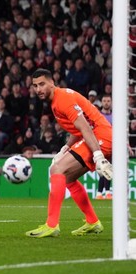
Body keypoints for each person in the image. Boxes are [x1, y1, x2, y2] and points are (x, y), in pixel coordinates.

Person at [26, 68, 112, 238]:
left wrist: (98, 156)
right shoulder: (58, 99)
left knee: (57, 170)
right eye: (35, 86)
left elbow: (85, 127)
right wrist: (65, 149)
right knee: (69, 179)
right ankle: (93, 221)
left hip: (100, 137)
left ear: (52, 82)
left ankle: (51, 225)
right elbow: (78, 127)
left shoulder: (62, 99)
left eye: (42, 84)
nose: (38, 89)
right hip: (96, 136)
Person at [96, 94, 112, 199]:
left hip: (112, 146)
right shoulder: (98, 115)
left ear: (111, 102)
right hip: (100, 145)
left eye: (108, 101)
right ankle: (107, 192)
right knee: (104, 168)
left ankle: (99, 193)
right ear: (101, 102)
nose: (106, 103)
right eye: (104, 101)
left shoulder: (114, 116)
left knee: (106, 168)